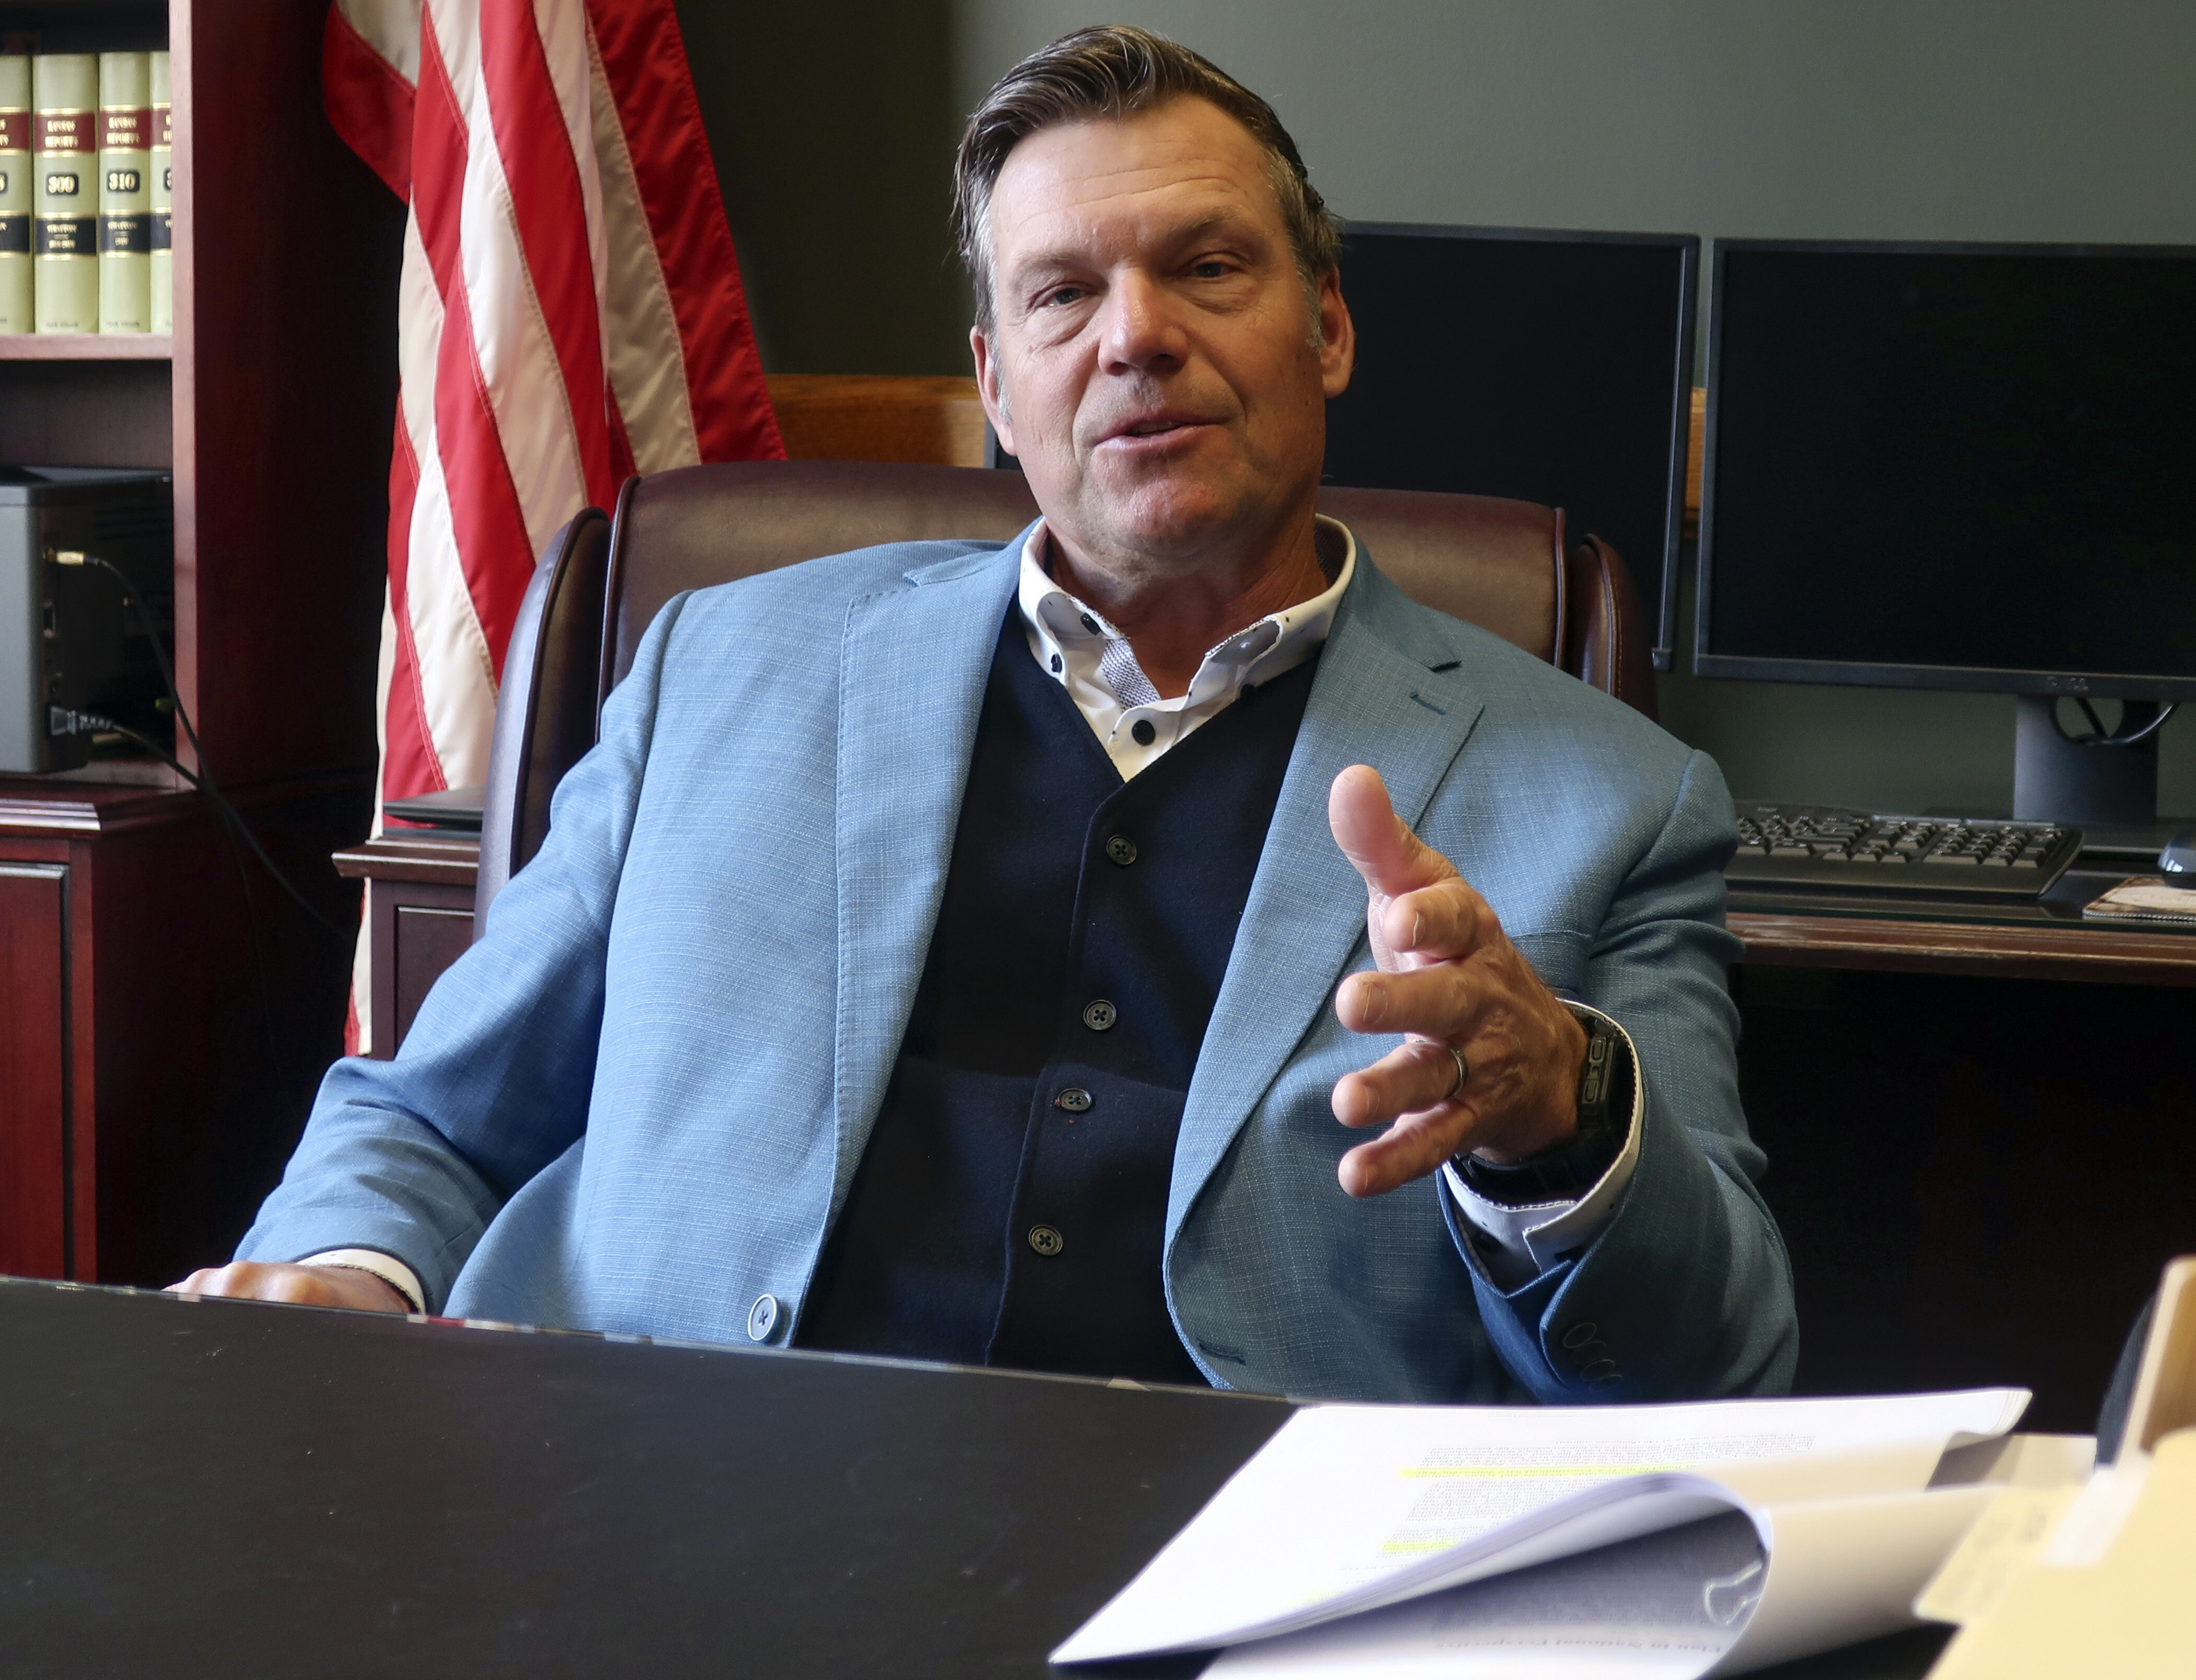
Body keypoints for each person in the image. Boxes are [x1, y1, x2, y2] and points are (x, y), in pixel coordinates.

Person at [179, 26, 1794, 1404]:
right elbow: (434, 1115)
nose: (1136, 335)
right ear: (997, 382)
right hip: (687, 1523)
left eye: (1208, 267)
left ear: (1331, 327)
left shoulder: (1612, 800)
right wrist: (342, 1277)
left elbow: (1719, 1362)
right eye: (1062, 294)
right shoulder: (713, 673)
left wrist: (1557, 1122)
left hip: (1245, 1579)